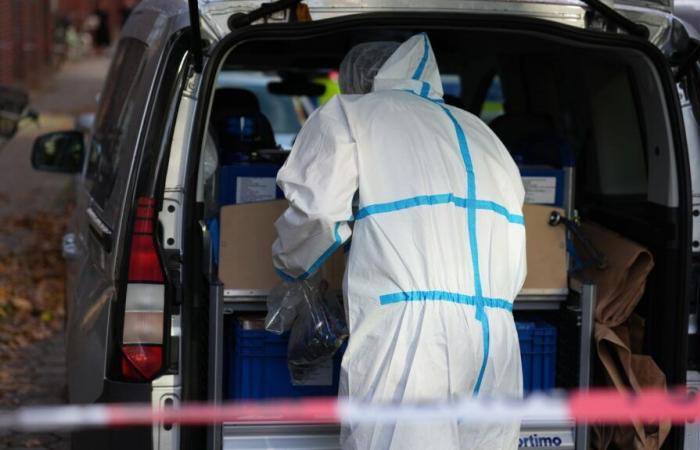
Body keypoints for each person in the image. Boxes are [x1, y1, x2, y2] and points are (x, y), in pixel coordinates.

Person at [272, 33, 526, 450]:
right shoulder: (483, 133)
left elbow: (315, 215)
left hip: (412, 341)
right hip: (496, 337)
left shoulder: (353, 115)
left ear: (359, 80)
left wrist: (289, 266)